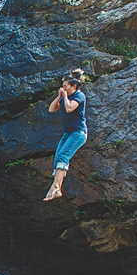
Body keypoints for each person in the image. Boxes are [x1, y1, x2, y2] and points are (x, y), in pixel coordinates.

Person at [44, 69, 87, 201]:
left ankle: (56, 187)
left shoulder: (79, 96)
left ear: (74, 86)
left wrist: (65, 97)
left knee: (63, 156)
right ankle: (55, 188)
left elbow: (69, 108)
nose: (63, 88)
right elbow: (51, 109)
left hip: (78, 133)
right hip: (68, 133)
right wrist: (59, 97)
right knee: (58, 157)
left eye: (65, 86)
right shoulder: (64, 97)